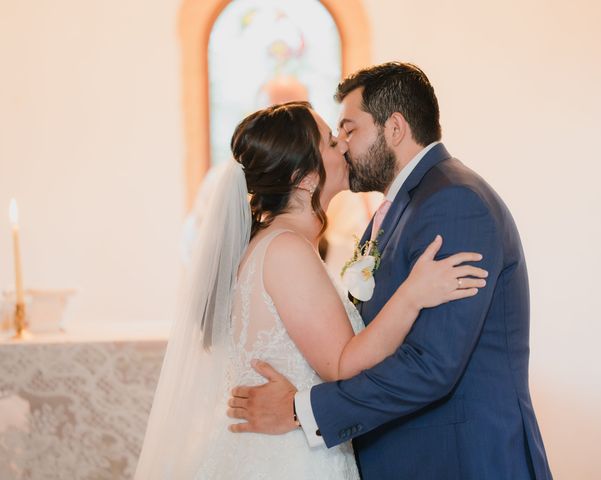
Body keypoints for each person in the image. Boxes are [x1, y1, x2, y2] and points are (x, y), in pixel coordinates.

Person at [228, 63, 553, 480]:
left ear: (394, 128)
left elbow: (431, 364)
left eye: (349, 130)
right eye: (335, 137)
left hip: (463, 460)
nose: (343, 146)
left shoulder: (453, 202)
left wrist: (300, 410)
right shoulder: (400, 209)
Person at [134, 100, 487, 479]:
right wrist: (413, 295)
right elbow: (340, 365)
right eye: (331, 143)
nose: (344, 146)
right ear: (305, 178)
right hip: (287, 459)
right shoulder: (285, 249)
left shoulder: (279, 244)